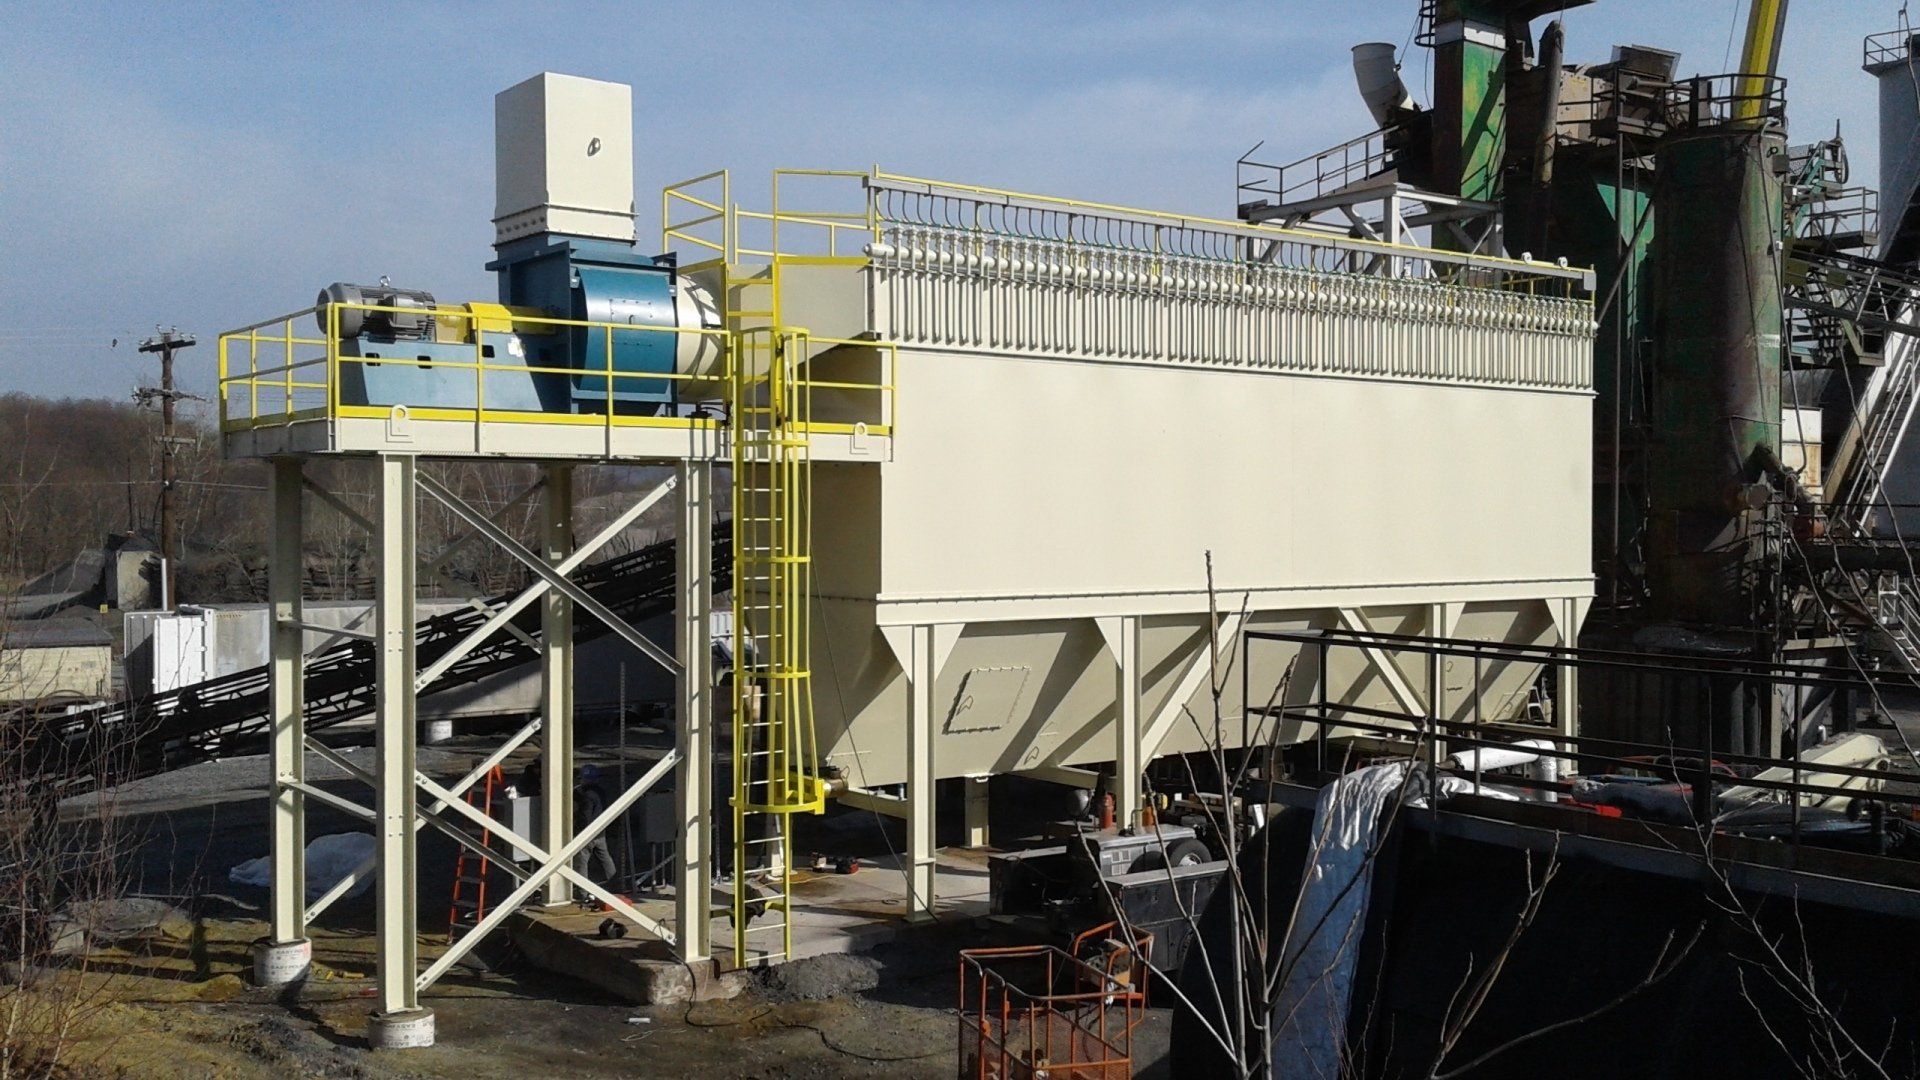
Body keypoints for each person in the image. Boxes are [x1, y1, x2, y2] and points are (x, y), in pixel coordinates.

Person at [573, 764, 618, 887]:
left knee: (581, 862)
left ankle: (583, 891)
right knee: (605, 859)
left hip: (588, 833)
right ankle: (615, 884)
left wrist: (578, 830)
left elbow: (585, 816)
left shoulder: (587, 796)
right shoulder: (600, 792)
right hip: (600, 832)